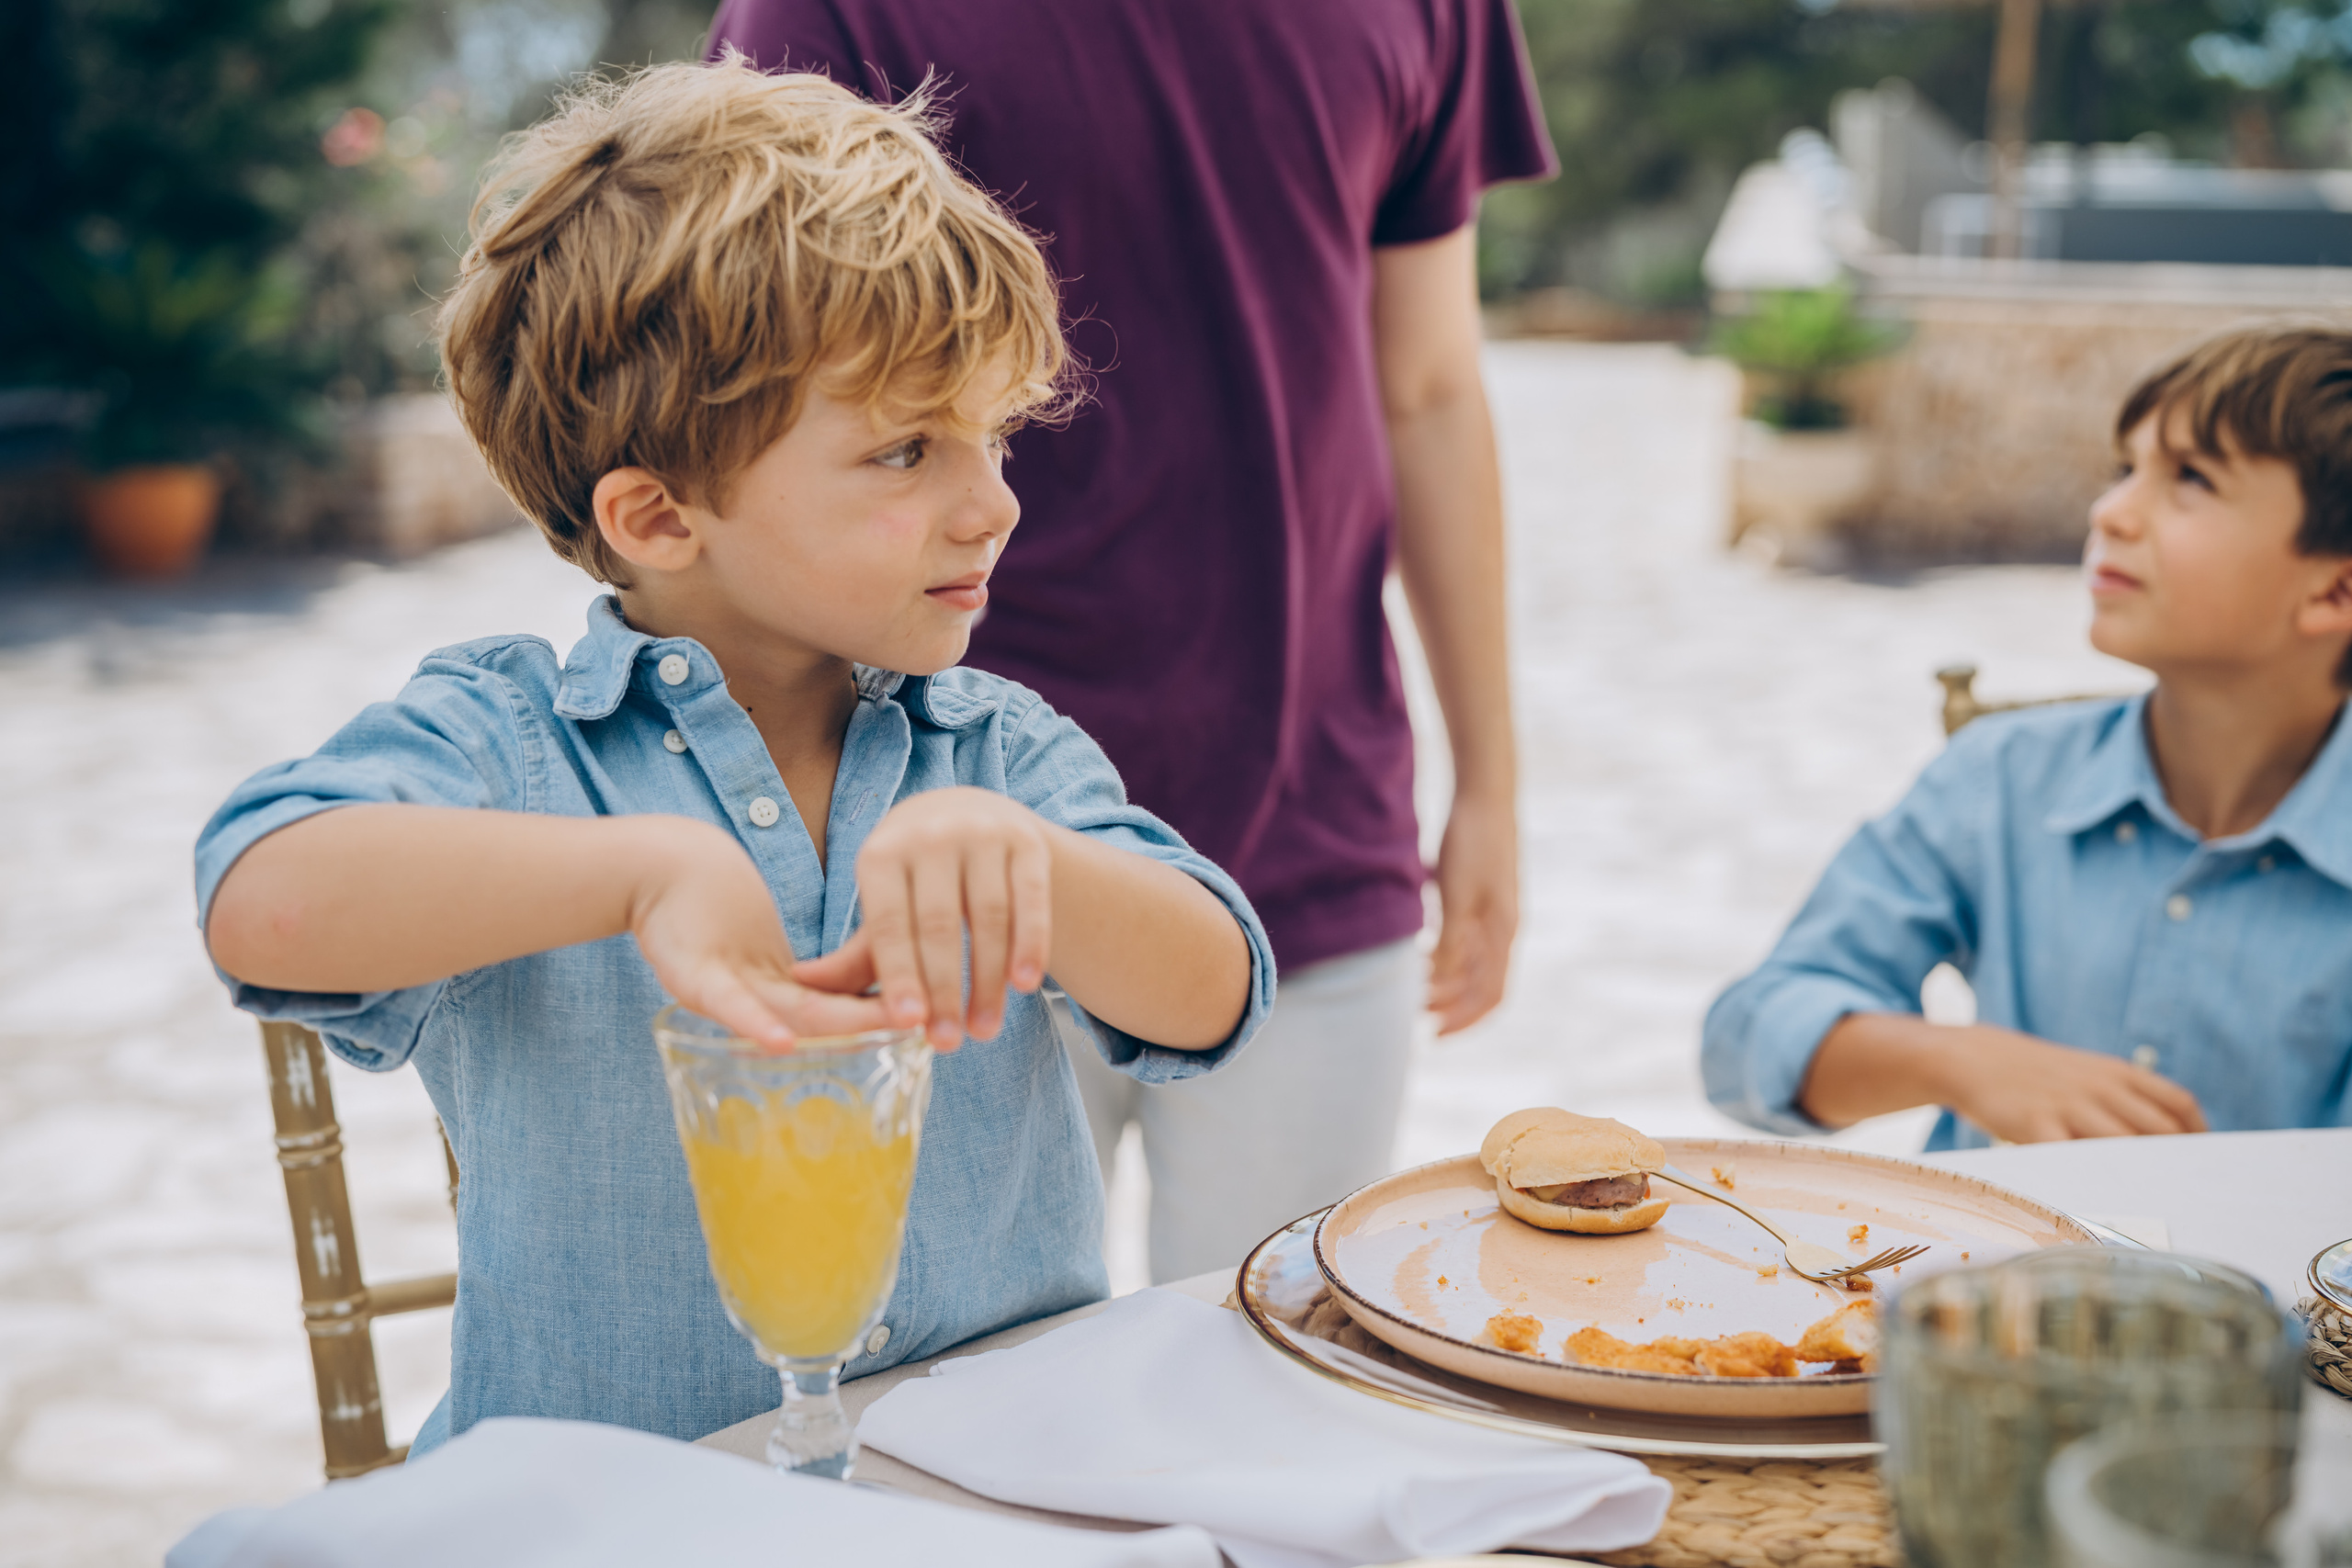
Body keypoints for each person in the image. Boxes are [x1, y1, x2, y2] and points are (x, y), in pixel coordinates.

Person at [193, 59, 1273, 1451]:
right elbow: (261, 899)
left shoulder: (993, 750)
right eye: (905, 452)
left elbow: (1214, 991)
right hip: (602, 1517)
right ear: (655, 516)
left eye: (991, 436)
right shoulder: (514, 744)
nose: (993, 502)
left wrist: (1044, 868)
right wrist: (643, 870)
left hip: (986, 1498)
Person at [707, 0, 1557, 1280]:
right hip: (923, 866)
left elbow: (1430, 380)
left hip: (1308, 830)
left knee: (1278, 1406)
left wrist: (1490, 778)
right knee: (949, 1425)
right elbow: (732, 405)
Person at [1703, 325, 2352, 1151]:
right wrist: (1956, 1060)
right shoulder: (2000, 777)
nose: (2111, 512)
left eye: (2191, 478)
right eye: (2127, 470)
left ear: (2335, 588)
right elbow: (1744, 1040)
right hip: (1994, 1274)